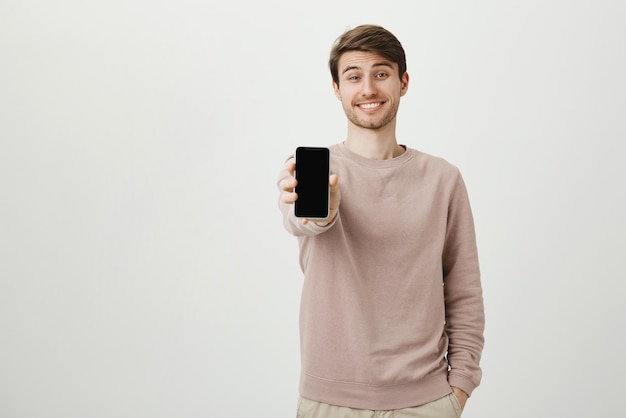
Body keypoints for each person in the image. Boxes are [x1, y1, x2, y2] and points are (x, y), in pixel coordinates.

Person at [277, 24, 485, 417]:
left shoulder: (443, 178)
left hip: (425, 402)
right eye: (353, 76)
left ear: (403, 82)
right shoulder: (308, 171)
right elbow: (299, 219)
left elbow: (464, 290)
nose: (368, 88)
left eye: (381, 73)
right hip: (329, 401)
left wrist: (460, 387)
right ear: (337, 89)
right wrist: (323, 213)